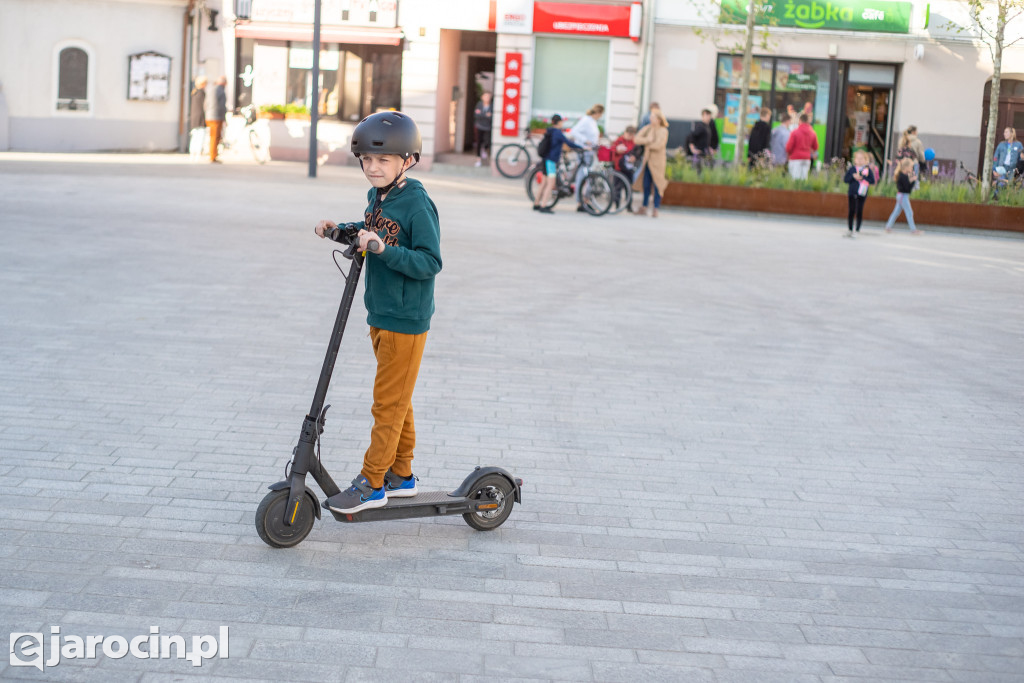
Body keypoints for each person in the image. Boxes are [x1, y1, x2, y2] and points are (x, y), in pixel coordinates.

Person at [313, 111, 442, 514]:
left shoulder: (418, 205)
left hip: (406, 320)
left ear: (408, 160)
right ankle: (401, 475)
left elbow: (429, 262)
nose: (372, 167)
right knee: (397, 399)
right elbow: (374, 226)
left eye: (383, 160)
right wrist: (344, 231)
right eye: (366, 160)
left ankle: (373, 483)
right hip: (381, 314)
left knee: (386, 404)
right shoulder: (380, 196)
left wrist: (384, 250)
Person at [533, 114, 582, 213]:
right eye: (562, 122)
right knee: (550, 184)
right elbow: (568, 142)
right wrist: (582, 147)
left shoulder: (550, 131)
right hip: (551, 161)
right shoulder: (557, 133)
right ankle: (543, 206)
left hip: (545, 160)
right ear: (559, 122)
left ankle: (536, 204)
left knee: (543, 183)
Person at [632, 109, 669, 218]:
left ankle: (656, 208)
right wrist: (647, 140)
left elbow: (659, 145)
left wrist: (648, 144)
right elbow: (636, 139)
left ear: (658, 119)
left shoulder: (663, 131)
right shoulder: (647, 128)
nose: (650, 119)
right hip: (647, 161)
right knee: (646, 184)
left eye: (652, 117)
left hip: (658, 162)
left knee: (658, 184)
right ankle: (644, 207)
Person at [568, 104, 604, 212]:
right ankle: (580, 202)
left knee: (589, 176)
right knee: (582, 176)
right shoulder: (586, 120)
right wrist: (585, 141)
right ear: (598, 113)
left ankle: (585, 200)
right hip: (584, 152)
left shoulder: (592, 121)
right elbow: (574, 131)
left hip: (591, 152)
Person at [843, 149, 877, 237]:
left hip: (862, 194)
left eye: (862, 159)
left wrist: (863, 178)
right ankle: (850, 229)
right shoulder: (852, 169)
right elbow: (846, 179)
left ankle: (857, 229)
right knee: (851, 210)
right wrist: (853, 177)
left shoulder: (867, 170)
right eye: (857, 158)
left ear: (866, 160)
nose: (859, 160)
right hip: (852, 193)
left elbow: (872, 181)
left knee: (859, 211)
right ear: (854, 159)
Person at [884, 158, 922, 235]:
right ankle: (913, 229)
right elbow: (906, 188)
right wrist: (912, 181)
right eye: (911, 167)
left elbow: (908, 188)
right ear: (906, 167)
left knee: (896, 212)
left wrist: (912, 180)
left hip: (902, 196)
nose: (912, 169)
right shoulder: (902, 176)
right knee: (909, 212)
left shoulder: (904, 175)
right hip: (903, 196)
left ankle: (888, 227)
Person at [785, 113, 818, 180]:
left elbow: (789, 148)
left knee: (794, 179)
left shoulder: (795, 132)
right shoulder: (812, 133)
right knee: (804, 179)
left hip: (795, 158)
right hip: (806, 159)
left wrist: (789, 154)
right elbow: (815, 147)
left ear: (800, 120)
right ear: (808, 121)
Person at [205, 76, 227, 163]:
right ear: (224, 83)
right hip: (216, 117)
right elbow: (222, 106)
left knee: (212, 136)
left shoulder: (211, 89)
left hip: (209, 116)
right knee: (215, 137)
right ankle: (212, 156)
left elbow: (205, 103)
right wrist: (224, 118)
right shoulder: (221, 91)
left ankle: (213, 155)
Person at [188, 76, 207, 161]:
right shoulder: (202, 93)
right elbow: (205, 106)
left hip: (194, 117)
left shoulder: (194, 92)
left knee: (194, 136)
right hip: (200, 117)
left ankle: (192, 153)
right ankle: (198, 153)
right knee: (200, 136)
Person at [472, 91, 493, 167]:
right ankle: (478, 159)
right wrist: (486, 115)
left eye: (488, 97)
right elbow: (476, 114)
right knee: (478, 142)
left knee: (487, 142)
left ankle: (484, 149)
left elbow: (491, 116)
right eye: (485, 96)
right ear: (482, 97)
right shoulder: (479, 104)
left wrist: (484, 114)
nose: (487, 98)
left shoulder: (492, 106)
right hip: (479, 126)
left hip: (488, 127)